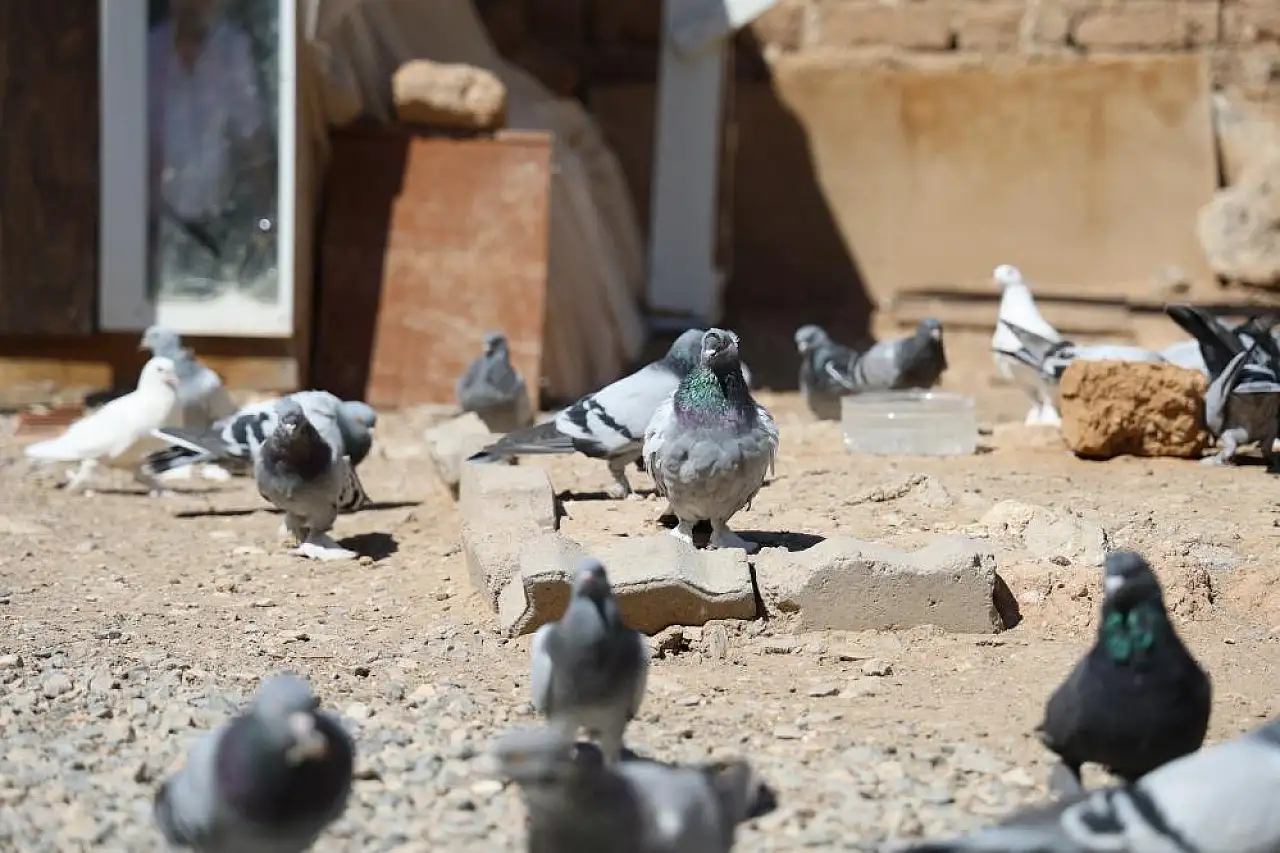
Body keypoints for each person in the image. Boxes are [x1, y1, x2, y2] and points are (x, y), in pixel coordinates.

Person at [147, 0, 274, 296]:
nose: (198, 6)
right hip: (160, 231)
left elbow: (253, 143)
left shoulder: (232, 50)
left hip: (220, 227)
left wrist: (267, 219)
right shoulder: (147, 54)